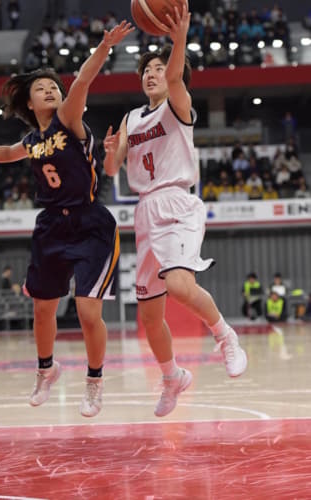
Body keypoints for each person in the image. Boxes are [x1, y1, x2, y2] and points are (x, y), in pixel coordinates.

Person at [0, 21, 134, 417]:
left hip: (90, 223)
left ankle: (95, 380)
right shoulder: (31, 142)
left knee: (86, 311)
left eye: (53, 86)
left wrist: (103, 46)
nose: (50, 89)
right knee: (43, 309)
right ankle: (46, 370)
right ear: (29, 104)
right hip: (51, 226)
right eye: (40, 88)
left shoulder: (69, 118)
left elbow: (81, 80)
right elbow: (6, 152)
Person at [103, 2, 247, 418]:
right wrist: (112, 154)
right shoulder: (132, 117)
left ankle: (225, 337)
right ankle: (172, 377)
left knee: (181, 286)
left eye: (157, 69)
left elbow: (174, 75)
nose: (151, 74)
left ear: (171, 76)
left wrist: (178, 39)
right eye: (145, 70)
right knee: (149, 315)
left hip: (178, 203)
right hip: (144, 209)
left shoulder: (178, 105)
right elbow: (114, 169)